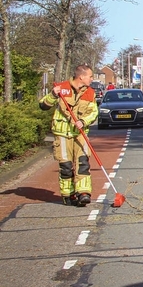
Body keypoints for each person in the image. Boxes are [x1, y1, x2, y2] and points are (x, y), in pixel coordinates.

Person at [38, 64, 99, 207]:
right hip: (63, 134)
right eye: (90, 76)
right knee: (66, 166)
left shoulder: (90, 93)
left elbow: (94, 112)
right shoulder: (61, 88)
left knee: (83, 163)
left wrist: (83, 121)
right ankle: (68, 194)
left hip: (80, 134)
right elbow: (43, 105)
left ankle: (83, 192)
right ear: (81, 77)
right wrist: (53, 95)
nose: (92, 79)